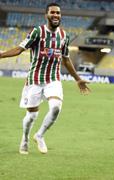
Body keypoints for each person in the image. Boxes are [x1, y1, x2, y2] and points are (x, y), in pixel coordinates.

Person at [0, 3, 90, 154]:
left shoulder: (64, 36)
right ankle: (25, 138)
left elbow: (66, 59)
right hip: (34, 79)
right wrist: (1, 55)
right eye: (53, 12)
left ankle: (39, 135)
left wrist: (78, 79)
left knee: (55, 107)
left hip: (53, 79)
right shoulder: (37, 32)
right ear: (46, 15)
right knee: (31, 116)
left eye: (58, 13)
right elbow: (20, 49)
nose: (56, 15)